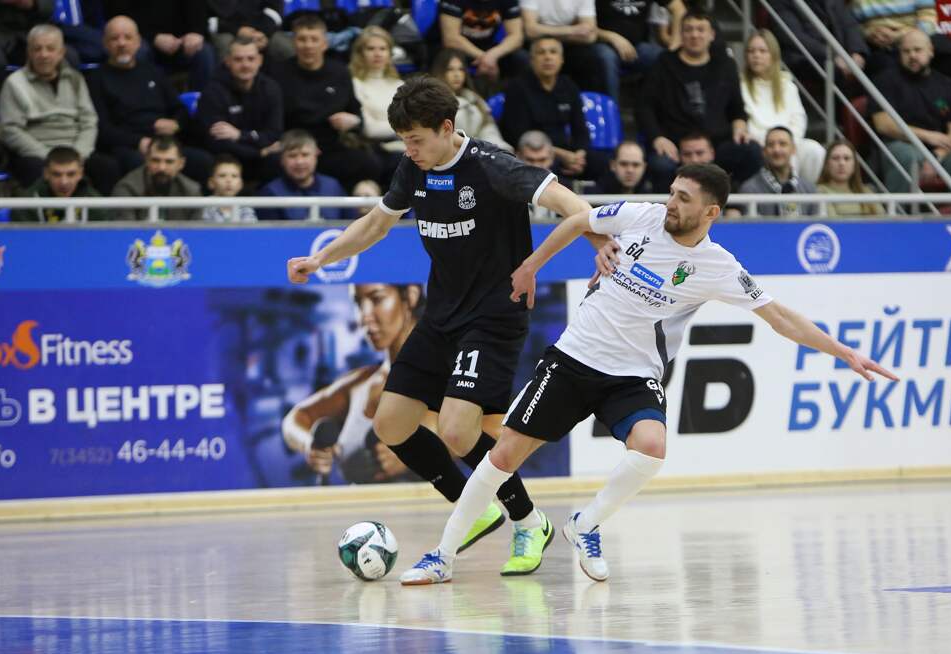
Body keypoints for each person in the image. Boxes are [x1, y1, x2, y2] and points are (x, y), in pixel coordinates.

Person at [398, 163, 898, 585]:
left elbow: (780, 317)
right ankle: (442, 556)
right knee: (504, 454)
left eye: (683, 198)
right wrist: (531, 266)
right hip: (574, 358)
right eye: (672, 192)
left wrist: (843, 352)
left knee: (652, 445)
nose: (670, 203)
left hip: (633, 373)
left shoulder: (718, 266)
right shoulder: (641, 215)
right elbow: (578, 221)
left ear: (711, 213)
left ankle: (585, 524)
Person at [286, 76, 597, 575]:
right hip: (441, 317)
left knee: (456, 429)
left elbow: (574, 207)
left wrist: (578, 249)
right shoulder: (414, 167)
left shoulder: (493, 166)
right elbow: (376, 225)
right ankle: (475, 508)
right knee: (390, 423)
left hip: (493, 317)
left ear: (447, 128)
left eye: (416, 140)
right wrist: (320, 258)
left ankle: (528, 521)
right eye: (403, 141)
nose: (409, 151)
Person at [282, 283, 430, 484]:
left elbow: (470, 432)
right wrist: (310, 444)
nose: (364, 317)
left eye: (377, 299)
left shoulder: (446, 375)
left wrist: (417, 454)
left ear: (411, 296)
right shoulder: (360, 384)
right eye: (359, 303)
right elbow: (294, 420)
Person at [637, 13, 762, 190]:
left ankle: (730, 201)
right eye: (689, 30)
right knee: (660, 165)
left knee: (752, 152)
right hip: (675, 146)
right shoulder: (663, 63)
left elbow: (737, 108)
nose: (694, 35)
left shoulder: (726, 65)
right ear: (681, 34)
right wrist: (658, 138)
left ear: (712, 34)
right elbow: (645, 106)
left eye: (700, 30)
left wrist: (740, 127)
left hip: (717, 146)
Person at [85, 16, 213, 187]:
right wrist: (138, 141)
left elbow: (180, 109)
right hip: (129, 146)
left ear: (138, 42)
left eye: (128, 37)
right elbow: (103, 129)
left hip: (164, 142)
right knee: (138, 164)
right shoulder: (96, 79)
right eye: (114, 38)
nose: (122, 43)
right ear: (105, 44)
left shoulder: (152, 71)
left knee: (204, 162)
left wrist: (176, 123)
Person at [0, 24, 117, 195]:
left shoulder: (76, 79)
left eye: (50, 49)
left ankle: (99, 212)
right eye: (37, 49)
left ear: (61, 52)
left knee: (107, 167)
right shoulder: (14, 83)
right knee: (32, 168)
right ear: (29, 53)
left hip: (76, 150)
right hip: (37, 153)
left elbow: (89, 120)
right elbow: (11, 130)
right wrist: (49, 157)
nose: (44, 54)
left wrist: (79, 155)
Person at [869, 30, 951, 193]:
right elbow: (883, 125)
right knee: (910, 157)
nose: (912, 56)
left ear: (931, 51)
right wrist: (928, 136)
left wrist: (937, 155)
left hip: (938, 153)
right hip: (899, 145)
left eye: (917, 50)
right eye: (906, 51)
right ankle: (899, 208)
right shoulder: (885, 80)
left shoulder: (947, 84)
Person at [272, 14, 380, 190]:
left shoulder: (340, 72)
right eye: (302, 39)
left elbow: (356, 113)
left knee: (369, 164)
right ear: (293, 42)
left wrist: (352, 120)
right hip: (292, 148)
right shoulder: (278, 73)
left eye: (314, 39)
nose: (308, 45)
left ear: (325, 43)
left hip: (330, 148)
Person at [500, 36, 608, 182]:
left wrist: (579, 156)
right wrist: (561, 155)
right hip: (534, 153)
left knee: (603, 164)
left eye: (553, 52)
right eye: (541, 52)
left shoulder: (568, 86)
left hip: (567, 153)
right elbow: (519, 136)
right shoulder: (517, 88)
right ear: (532, 60)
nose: (548, 57)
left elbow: (581, 129)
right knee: (550, 171)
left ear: (561, 59)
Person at [740, 30, 825, 184]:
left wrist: (787, 145)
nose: (756, 55)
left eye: (762, 51)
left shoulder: (787, 85)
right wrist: (773, 145)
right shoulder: (740, 86)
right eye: (751, 51)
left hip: (790, 142)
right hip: (761, 144)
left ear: (773, 55)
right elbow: (745, 124)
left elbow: (798, 120)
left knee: (814, 150)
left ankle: (806, 193)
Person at [197, 36, 284, 182]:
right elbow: (219, 142)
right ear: (228, 61)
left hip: (260, 155)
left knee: (278, 158)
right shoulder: (212, 92)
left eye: (251, 59)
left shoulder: (271, 88)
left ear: (260, 61)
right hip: (228, 156)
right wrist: (259, 152)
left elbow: (274, 134)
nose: (245, 65)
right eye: (238, 59)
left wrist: (239, 135)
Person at [104, 0, 217, 91]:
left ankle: (201, 103)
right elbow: (119, 16)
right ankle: (141, 105)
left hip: (181, 40)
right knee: (136, 51)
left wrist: (196, 32)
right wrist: (154, 37)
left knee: (204, 53)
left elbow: (198, 8)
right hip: (143, 38)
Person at [350, 26, 405, 186]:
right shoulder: (354, 84)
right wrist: (401, 128)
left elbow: (413, 125)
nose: (377, 54)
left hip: (403, 148)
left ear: (390, 53)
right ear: (360, 53)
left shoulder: (400, 85)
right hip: (369, 151)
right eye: (371, 48)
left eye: (383, 48)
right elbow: (369, 129)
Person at [766, 0, 867, 88]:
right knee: (834, 71)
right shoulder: (780, 2)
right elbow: (794, 38)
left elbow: (849, 24)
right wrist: (834, 56)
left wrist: (857, 52)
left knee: (874, 61)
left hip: (841, 54)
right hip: (805, 57)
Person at [520, 0, 607, 97]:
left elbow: (590, 36)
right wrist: (571, 29)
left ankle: (596, 103)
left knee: (599, 56)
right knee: (524, 57)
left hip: (572, 43)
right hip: (538, 43)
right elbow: (530, 30)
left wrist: (544, 31)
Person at [431, 49, 511, 151]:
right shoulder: (433, 102)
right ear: (440, 72)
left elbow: (487, 129)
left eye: (461, 69)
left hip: (479, 152)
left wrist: (500, 149)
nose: (457, 74)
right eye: (450, 69)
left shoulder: (475, 99)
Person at [257, 129, 346, 221]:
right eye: (292, 155)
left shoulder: (334, 187)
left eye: (305, 154)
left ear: (316, 154)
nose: (299, 162)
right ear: (281, 159)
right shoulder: (270, 193)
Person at [111, 135, 202, 221]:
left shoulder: (191, 191)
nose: (161, 168)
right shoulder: (127, 188)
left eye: (169, 162)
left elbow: (196, 231)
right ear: (146, 160)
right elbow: (126, 230)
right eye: (155, 160)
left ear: (181, 163)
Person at [438, 0, 529, 85]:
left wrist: (492, 56)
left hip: (490, 49)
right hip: (460, 49)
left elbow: (517, 37)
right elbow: (451, 38)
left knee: (520, 58)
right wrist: (484, 58)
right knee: (447, 57)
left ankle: (514, 93)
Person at [594, 0, 667, 102]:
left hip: (637, 48)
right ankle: (611, 109)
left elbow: (677, 8)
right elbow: (586, 26)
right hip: (603, 44)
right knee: (606, 57)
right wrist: (612, 37)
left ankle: (657, 108)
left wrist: (674, 44)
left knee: (665, 57)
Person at [11, 146, 106, 223]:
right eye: (56, 174)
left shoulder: (97, 205)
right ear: (46, 174)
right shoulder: (25, 206)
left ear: (80, 174)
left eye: (71, 174)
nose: (64, 182)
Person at [738, 126, 818, 217]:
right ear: (764, 151)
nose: (776, 150)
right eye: (771, 145)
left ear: (793, 149)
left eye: (782, 144)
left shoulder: (809, 190)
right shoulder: (749, 190)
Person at [816, 140, 885, 217]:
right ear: (827, 164)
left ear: (854, 165)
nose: (841, 163)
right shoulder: (820, 191)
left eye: (847, 158)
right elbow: (833, 223)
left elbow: (884, 221)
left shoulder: (866, 192)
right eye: (835, 158)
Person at [209, 0, 294, 61]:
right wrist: (237, 30)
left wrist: (261, 32)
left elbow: (275, 12)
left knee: (284, 46)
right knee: (225, 43)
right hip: (225, 30)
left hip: (263, 29)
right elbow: (208, 18)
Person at [202, 154, 258, 223]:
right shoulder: (203, 206)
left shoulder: (245, 208)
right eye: (222, 176)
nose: (229, 180)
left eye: (234, 176)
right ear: (211, 182)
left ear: (240, 184)